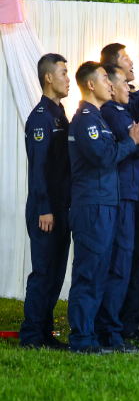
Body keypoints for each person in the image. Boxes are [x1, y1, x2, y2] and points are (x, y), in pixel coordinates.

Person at [66, 62, 139, 353]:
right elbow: (104, 157)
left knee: (102, 271)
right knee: (89, 272)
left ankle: (94, 336)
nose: (110, 83)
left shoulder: (99, 119)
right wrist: (132, 140)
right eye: (105, 78)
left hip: (105, 203)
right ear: (90, 85)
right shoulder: (86, 120)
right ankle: (81, 338)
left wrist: (131, 141)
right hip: (92, 205)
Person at [96, 64, 139, 350]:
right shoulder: (112, 112)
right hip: (121, 196)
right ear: (110, 86)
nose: (129, 89)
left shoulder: (123, 111)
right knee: (118, 266)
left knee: (124, 266)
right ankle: (108, 331)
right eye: (124, 83)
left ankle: (114, 328)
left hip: (129, 196)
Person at [21, 54, 73, 350]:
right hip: (46, 210)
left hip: (60, 207)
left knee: (55, 273)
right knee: (43, 272)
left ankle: (44, 332)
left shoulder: (59, 113)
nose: (68, 78)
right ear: (48, 78)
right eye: (63, 73)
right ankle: (30, 336)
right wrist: (44, 208)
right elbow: (38, 167)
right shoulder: (41, 117)